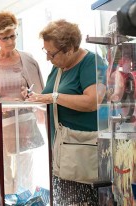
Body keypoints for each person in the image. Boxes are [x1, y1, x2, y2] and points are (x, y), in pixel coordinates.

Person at [26, 19, 107, 205]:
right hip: (61, 150)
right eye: (45, 52)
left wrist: (53, 97)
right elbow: (50, 95)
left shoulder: (92, 62)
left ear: (69, 49)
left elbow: (92, 101)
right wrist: (35, 97)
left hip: (83, 152)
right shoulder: (58, 67)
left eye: (51, 53)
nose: (48, 58)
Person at [0, 11, 45, 195]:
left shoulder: (28, 59)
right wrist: (6, 103)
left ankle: (24, 200)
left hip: (23, 123)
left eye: (13, 36)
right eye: (5, 38)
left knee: (25, 172)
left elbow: (39, 94)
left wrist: (28, 95)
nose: (11, 42)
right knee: (2, 173)